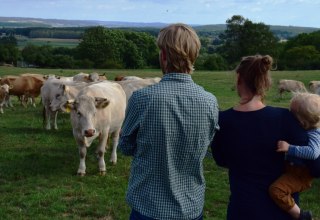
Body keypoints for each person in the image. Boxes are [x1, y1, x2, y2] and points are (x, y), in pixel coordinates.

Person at [118, 23, 219, 220]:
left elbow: (126, 148)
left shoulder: (142, 98)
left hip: (148, 206)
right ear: (194, 56)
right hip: (191, 206)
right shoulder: (210, 101)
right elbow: (207, 144)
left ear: (163, 56)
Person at [211, 54, 309, 220]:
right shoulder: (285, 118)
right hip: (281, 211)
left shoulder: (222, 120)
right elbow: (314, 163)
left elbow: (221, 160)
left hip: (242, 209)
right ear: (265, 81)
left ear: (239, 79)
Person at [269, 92, 320, 220]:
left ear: (302, 121)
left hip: (300, 175)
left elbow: (313, 153)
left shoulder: (314, 133)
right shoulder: (307, 129)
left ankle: (301, 215)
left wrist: (289, 148)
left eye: (293, 114)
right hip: (294, 169)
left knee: (277, 190)